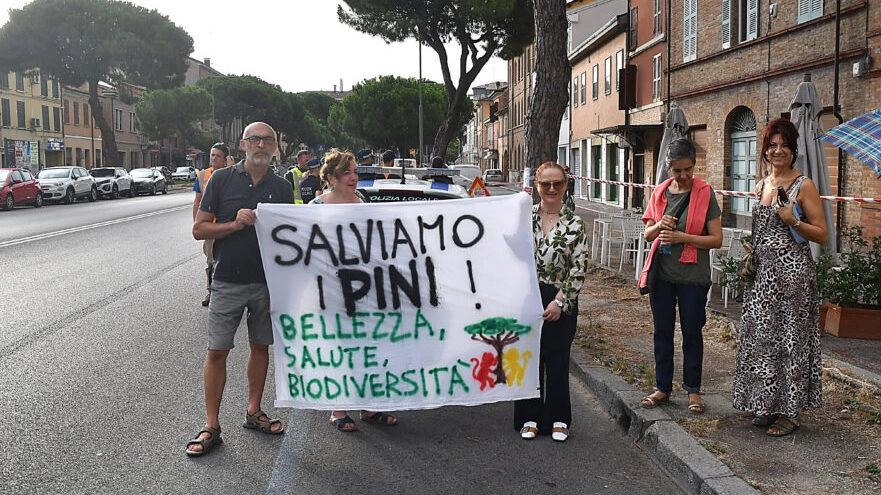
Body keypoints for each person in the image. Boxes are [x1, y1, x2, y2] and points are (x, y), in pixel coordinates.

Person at [185, 122, 295, 456]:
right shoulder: (221, 179)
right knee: (217, 351)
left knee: (260, 348)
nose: (261, 145)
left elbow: (291, 235)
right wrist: (235, 223)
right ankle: (211, 425)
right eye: (255, 139)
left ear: (275, 146)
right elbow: (199, 229)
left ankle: (253, 411)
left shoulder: (282, 186)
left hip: (267, 283)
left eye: (268, 140)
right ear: (243, 144)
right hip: (228, 280)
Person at [733, 118, 827, 437]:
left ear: (793, 149)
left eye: (783, 144)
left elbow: (823, 235)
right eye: (772, 145)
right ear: (765, 150)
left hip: (793, 277)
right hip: (762, 278)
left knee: (791, 341)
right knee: (764, 340)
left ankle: (790, 413)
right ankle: (768, 404)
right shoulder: (761, 185)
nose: (777, 150)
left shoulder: (804, 185)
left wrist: (793, 221)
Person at [309, 149, 397, 431]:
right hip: (332, 289)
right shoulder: (316, 205)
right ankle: (339, 408)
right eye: (347, 173)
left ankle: (369, 406)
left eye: (355, 172)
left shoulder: (363, 200)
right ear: (332, 178)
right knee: (341, 346)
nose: (353, 177)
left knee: (368, 346)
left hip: (365, 287)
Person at [639, 138, 722, 415]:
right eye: (677, 171)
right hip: (662, 275)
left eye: (688, 169)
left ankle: (693, 391)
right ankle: (662, 387)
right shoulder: (660, 193)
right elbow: (648, 233)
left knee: (692, 333)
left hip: (693, 278)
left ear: (694, 165)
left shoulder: (705, 193)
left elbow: (716, 240)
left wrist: (682, 237)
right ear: (669, 168)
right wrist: (660, 225)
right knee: (662, 332)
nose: (684, 176)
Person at [514, 161, 588, 443]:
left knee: (557, 360)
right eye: (546, 184)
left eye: (558, 183)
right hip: (527, 298)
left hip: (560, 299)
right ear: (537, 186)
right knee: (530, 359)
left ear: (566, 185)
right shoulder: (523, 218)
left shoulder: (575, 224)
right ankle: (529, 417)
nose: (552, 189)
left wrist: (560, 302)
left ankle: (559, 417)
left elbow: (578, 268)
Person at [193, 142, 230, 307]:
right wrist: (197, 225)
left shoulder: (231, 175)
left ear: (225, 160)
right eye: (212, 155)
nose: (213, 158)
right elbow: (197, 201)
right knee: (211, 261)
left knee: (228, 259)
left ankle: (229, 292)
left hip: (228, 226)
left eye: (217, 156)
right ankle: (211, 292)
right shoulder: (202, 176)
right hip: (210, 228)